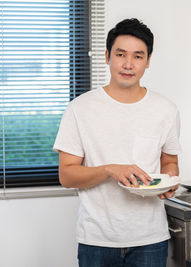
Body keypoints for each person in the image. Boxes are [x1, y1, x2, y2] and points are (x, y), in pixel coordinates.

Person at [53, 18, 181, 267]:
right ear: (107, 56)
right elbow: (66, 176)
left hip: (150, 239)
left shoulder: (165, 109)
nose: (128, 64)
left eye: (138, 56)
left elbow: (170, 160)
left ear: (148, 61)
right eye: (121, 54)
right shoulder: (80, 109)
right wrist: (111, 170)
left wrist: (169, 180)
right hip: (96, 240)